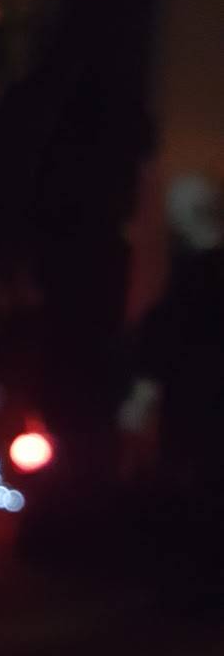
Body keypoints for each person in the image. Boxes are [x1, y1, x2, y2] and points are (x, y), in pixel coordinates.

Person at [119, 173, 224, 610]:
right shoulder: (194, 274)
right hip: (197, 403)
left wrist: (142, 398)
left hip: (198, 405)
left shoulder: (194, 279)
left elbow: (166, 335)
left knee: (198, 488)